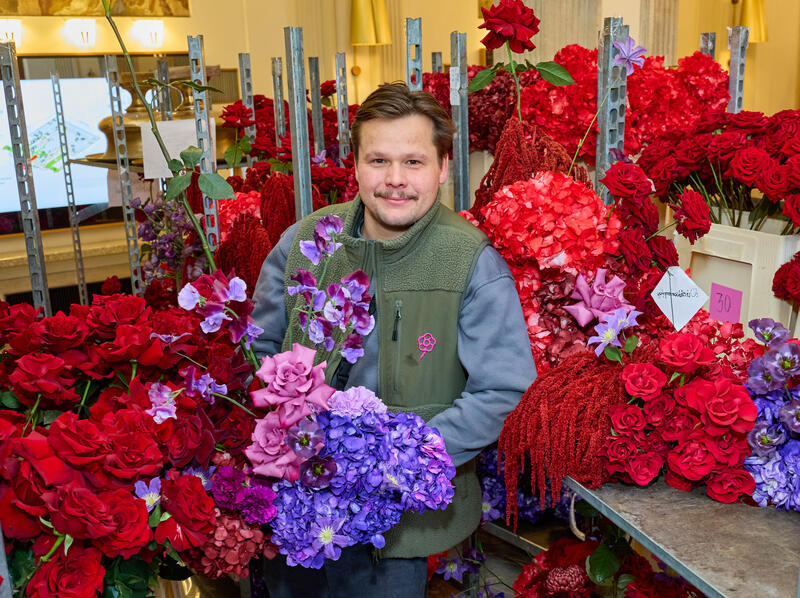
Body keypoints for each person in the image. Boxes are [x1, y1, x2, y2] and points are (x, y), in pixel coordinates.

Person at [251, 82, 536, 598]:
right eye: (378, 160)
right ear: (356, 166)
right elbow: (257, 350)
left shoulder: (470, 261)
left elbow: (503, 389)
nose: (395, 180)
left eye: (414, 162)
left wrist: (396, 460)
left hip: (400, 530)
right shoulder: (305, 242)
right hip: (296, 511)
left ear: (443, 168)